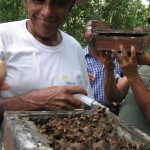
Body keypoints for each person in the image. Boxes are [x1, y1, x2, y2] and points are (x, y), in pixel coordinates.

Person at [0, 0, 93, 123]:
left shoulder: (74, 47)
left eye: (59, 3)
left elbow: (87, 104)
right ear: (26, 2)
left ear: (69, 7)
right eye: (38, 1)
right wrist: (36, 102)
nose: (47, 12)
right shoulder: (3, 37)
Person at [103, 45, 150, 135]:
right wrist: (109, 69)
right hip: (120, 138)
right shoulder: (143, 67)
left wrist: (133, 76)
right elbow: (114, 97)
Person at [83, 20, 122, 111]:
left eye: (101, 29)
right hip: (88, 114)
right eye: (90, 28)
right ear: (84, 35)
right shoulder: (77, 56)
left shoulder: (118, 57)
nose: (96, 32)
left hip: (116, 113)